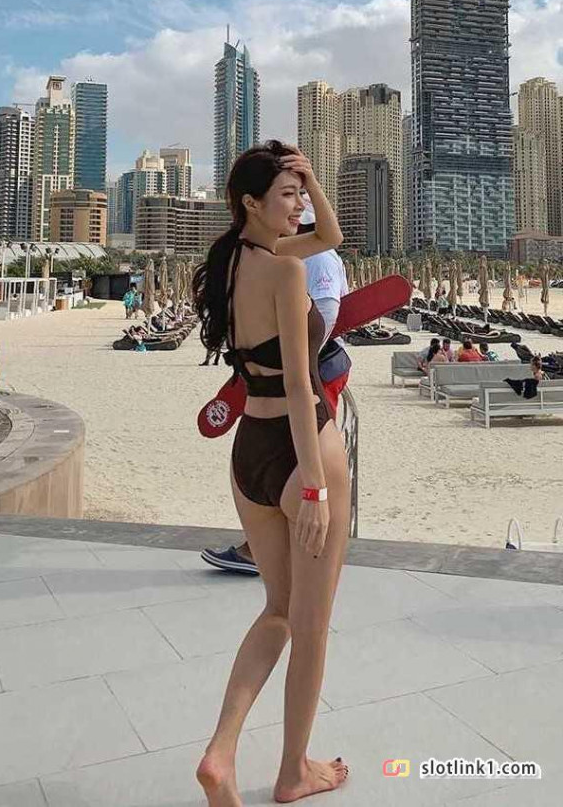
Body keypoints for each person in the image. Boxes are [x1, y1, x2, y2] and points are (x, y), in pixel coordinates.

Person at [193, 140, 350, 803]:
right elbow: (297, 384)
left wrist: (309, 178)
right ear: (251, 203)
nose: (299, 208)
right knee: (310, 626)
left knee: (278, 611)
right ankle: (293, 771)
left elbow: (331, 237)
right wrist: (314, 486)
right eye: (287, 196)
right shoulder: (285, 272)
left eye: (302, 195)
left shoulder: (230, 261)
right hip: (299, 449)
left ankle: (221, 753)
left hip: (248, 454)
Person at [202, 196, 350, 573]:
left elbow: (328, 309)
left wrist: (294, 356)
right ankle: (266, 545)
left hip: (314, 372)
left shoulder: (312, 259)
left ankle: (276, 547)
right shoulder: (271, 257)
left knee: (303, 458)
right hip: (287, 381)